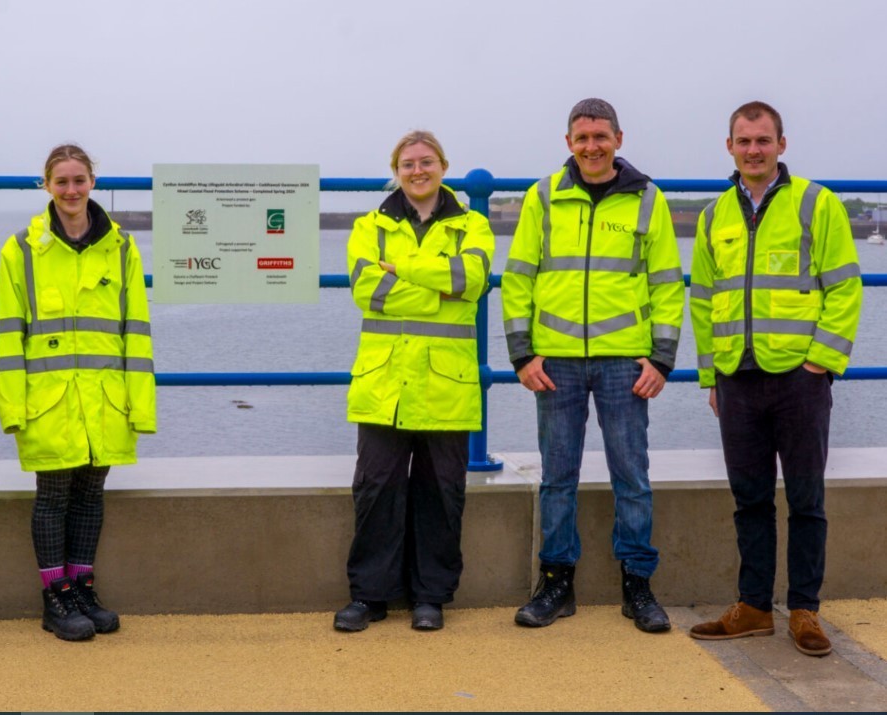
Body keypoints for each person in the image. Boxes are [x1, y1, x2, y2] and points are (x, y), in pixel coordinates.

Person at [500, 98, 683, 633]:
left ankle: (638, 587)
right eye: (581, 138)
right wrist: (521, 353)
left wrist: (663, 360)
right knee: (558, 477)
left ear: (619, 140)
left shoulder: (649, 200)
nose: (591, 146)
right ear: (568, 143)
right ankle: (556, 584)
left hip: (626, 362)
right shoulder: (542, 197)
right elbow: (518, 279)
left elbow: (668, 283)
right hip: (554, 361)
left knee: (632, 475)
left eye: (601, 136)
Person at [687, 101, 861, 657]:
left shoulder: (816, 203)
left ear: (781, 145)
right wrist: (710, 374)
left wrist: (820, 362)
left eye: (763, 140)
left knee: (807, 499)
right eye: (744, 141)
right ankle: (755, 606)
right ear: (730, 147)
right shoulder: (715, 216)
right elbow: (704, 300)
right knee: (750, 499)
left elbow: (844, 287)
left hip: (799, 380)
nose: (753, 150)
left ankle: (805, 610)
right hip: (737, 378)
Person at [334, 130, 494, 632]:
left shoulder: (474, 225)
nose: (417, 171)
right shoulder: (369, 226)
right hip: (386, 384)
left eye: (426, 162)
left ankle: (431, 596)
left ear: (443, 166)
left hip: (446, 383)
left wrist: (401, 269)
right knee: (375, 488)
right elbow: (369, 290)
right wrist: (438, 285)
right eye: (408, 164)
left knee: (441, 492)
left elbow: (470, 281)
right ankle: (370, 596)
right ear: (396, 170)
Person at [0, 144, 156, 641]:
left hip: (105, 396)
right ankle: (55, 597)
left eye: (79, 180)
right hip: (48, 399)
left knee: (91, 494)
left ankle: (83, 586)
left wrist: (140, 406)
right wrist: (12, 407)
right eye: (61, 182)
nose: (71, 190)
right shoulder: (22, 248)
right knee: (53, 496)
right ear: (46, 186)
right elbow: (8, 332)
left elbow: (137, 329)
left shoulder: (122, 247)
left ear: (93, 182)